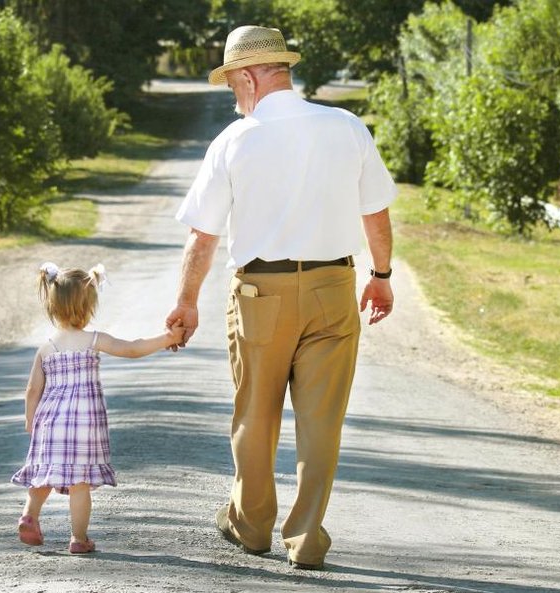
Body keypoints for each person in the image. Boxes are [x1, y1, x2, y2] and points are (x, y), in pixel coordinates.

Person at [165, 25, 397, 570]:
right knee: (322, 421)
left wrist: (187, 301)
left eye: (231, 83)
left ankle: (251, 526)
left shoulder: (234, 140)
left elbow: (202, 235)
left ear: (247, 76)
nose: (232, 95)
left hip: (259, 292)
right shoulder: (346, 126)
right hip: (334, 287)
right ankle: (307, 538)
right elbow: (376, 211)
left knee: (255, 413)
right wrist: (381, 274)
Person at [12, 262, 185, 554]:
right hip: (83, 425)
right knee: (80, 484)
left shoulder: (47, 348)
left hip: (50, 423)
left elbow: (32, 390)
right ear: (89, 306)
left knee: (44, 473)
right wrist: (167, 338)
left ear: (53, 306)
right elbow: (132, 348)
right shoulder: (93, 340)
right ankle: (79, 539)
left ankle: (30, 516)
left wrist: (31, 421)